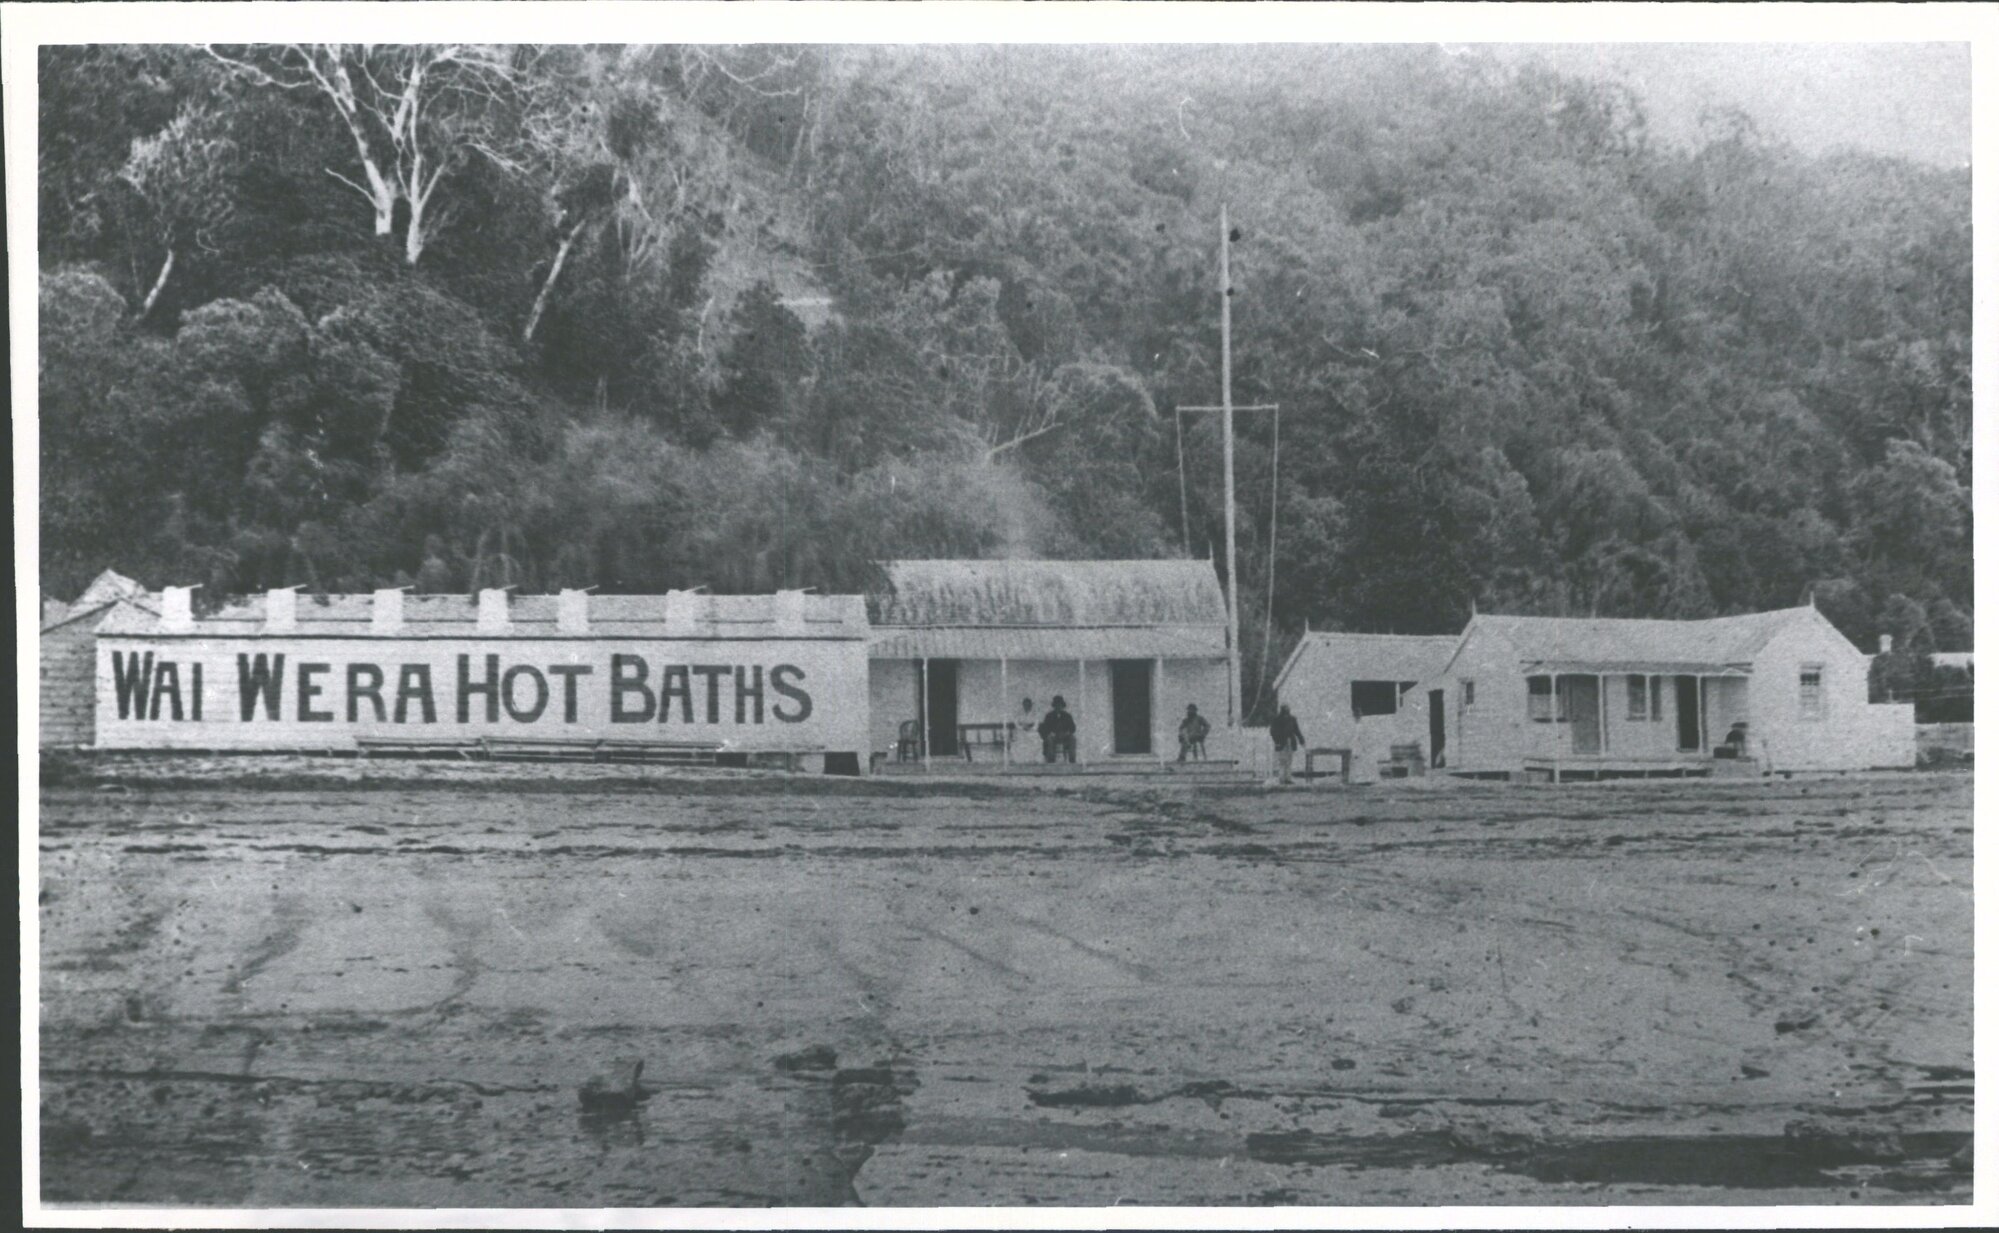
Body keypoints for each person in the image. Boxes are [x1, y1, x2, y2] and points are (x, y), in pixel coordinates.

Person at [1270, 704, 1306, 785]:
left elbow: (1297, 731)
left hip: (1290, 742)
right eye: (1285, 709)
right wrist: (1277, 741)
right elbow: (1273, 732)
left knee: (1289, 761)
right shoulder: (1277, 719)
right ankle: (1282, 778)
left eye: (1288, 709)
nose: (1287, 710)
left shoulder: (1292, 719)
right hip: (1281, 742)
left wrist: (1302, 741)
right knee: (1282, 761)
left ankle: (1287, 778)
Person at [1039, 695, 1077, 763]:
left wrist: (1067, 732)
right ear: (1054, 706)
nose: (1058, 707)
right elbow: (1044, 728)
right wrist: (1050, 733)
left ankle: (1072, 760)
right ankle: (1051, 760)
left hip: (1064, 737)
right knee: (1049, 739)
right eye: (1056, 705)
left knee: (1073, 738)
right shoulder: (1049, 716)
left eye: (1060, 705)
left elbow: (1073, 728)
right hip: (1054, 737)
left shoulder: (1067, 716)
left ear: (1062, 706)